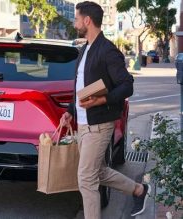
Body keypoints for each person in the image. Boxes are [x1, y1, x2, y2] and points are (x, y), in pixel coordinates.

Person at [60, 2, 151, 218]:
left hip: (99, 125)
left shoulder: (107, 50)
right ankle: (139, 190)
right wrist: (71, 110)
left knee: (86, 178)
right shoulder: (85, 49)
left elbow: (127, 84)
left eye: (76, 18)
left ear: (87, 20)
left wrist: (103, 100)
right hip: (83, 124)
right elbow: (81, 88)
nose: (75, 23)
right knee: (97, 172)